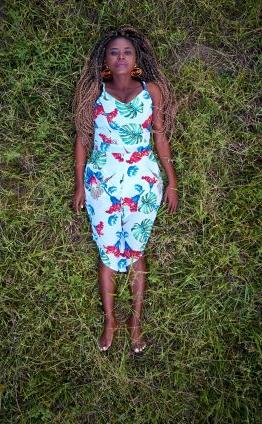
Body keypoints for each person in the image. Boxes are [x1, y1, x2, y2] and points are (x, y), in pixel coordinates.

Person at [70, 25, 179, 353]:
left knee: (136, 253)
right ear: (105, 58)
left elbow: (159, 136)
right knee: (107, 254)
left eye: (127, 52)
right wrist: (79, 185)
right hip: (101, 185)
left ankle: (135, 321)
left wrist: (172, 182)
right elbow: (82, 138)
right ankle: (110, 321)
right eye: (114, 52)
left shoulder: (152, 91)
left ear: (136, 59)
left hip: (143, 185)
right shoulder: (94, 92)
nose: (120, 57)